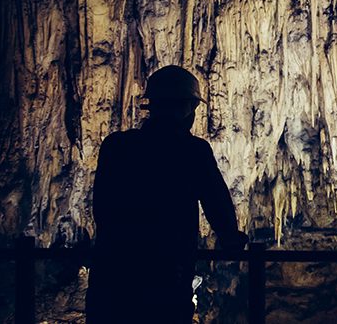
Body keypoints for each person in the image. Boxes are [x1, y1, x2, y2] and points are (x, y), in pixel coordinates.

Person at [86, 65, 248, 324]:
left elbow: (102, 210)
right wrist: (230, 238)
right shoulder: (192, 151)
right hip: (165, 278)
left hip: (113, 275)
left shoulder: (116, 147)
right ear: (187, 109)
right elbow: (217, 204)